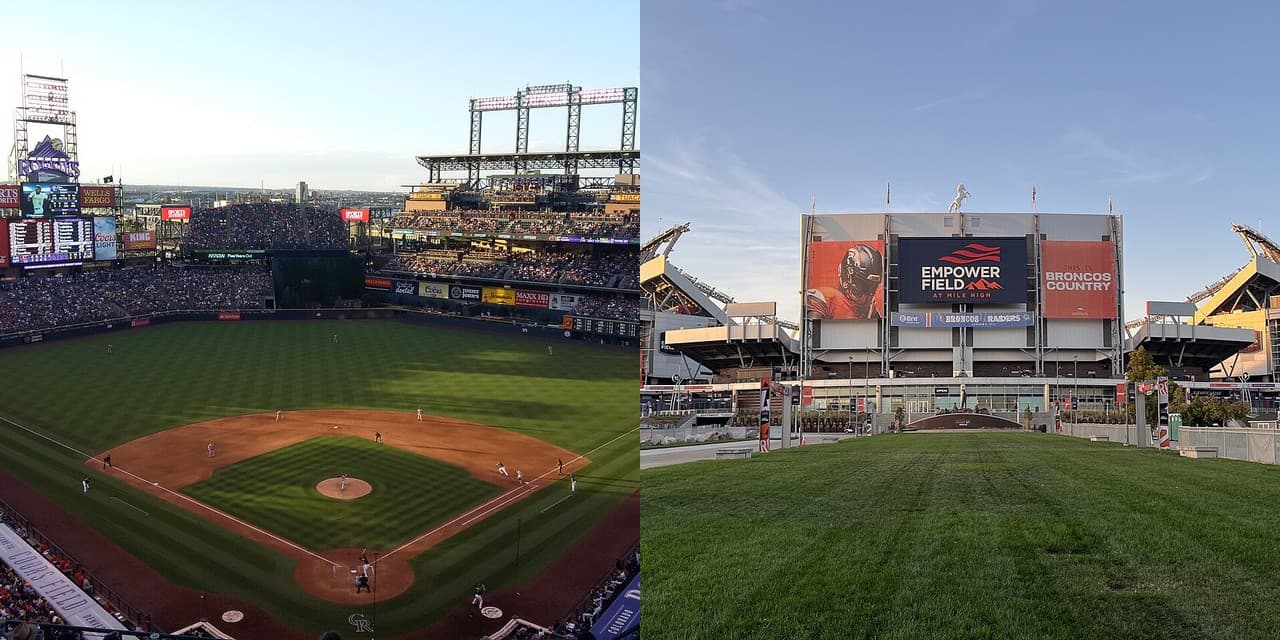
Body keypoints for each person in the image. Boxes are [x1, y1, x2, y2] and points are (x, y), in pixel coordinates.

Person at [805, 243, 884, 320]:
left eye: (872, 287)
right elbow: (813, 330)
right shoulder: (825, 298)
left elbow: (877, 331)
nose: (867, 295)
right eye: (863, 286)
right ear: (847, 274)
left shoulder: (869, 305)